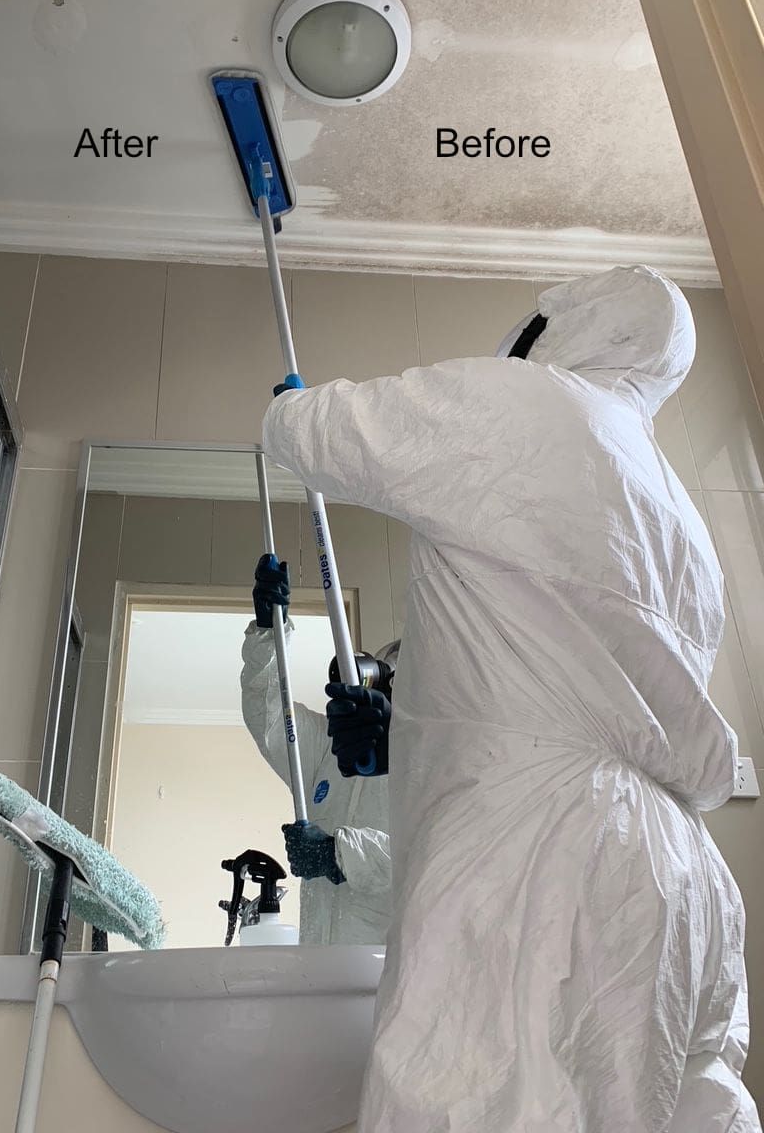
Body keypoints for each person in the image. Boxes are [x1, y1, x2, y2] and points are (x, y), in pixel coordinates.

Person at [262, 265, 761, 1132]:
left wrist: (288, 407)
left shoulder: (527, 404)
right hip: (682, 875)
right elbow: (560, 661)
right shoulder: (682, 515)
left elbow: (312, 433)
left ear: (568, 328)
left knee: (472, 1103)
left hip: (541, 855)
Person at [240, 553, 394, 945]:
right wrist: (268, 632)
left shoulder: (435, 763)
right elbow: (270, 715)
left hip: (385, 979)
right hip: (320, 971)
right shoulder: (329, 747)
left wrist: (336, 854)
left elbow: (431, 860)